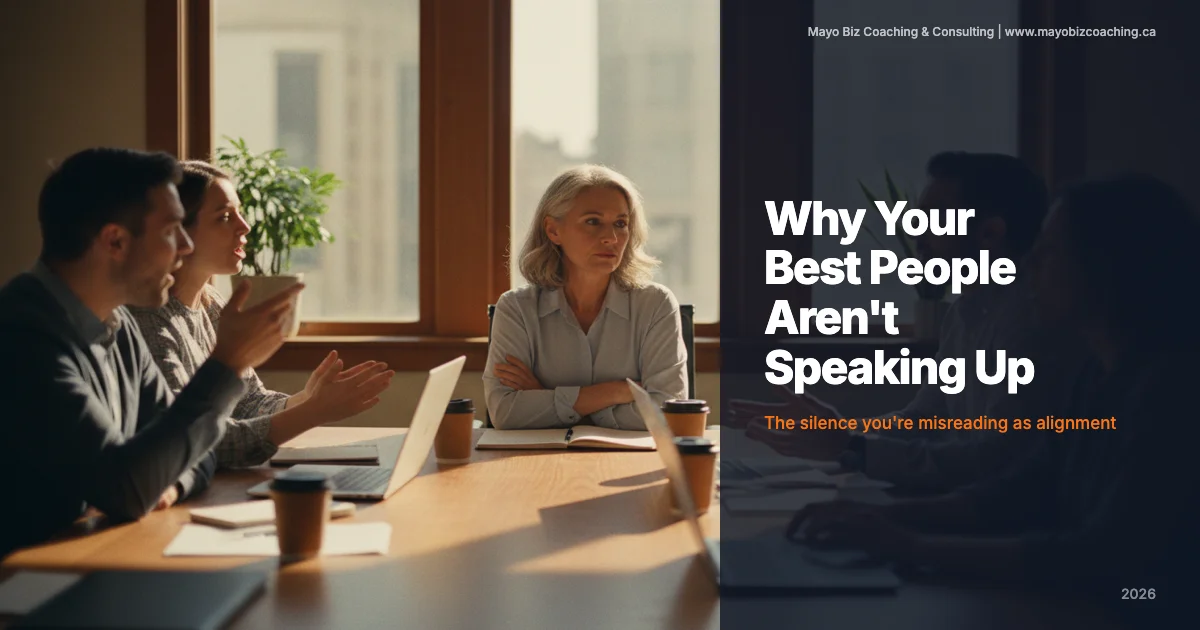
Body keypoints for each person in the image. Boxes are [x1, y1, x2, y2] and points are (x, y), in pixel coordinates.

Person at [788, 174, 1200, 622]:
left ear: (1107, 265)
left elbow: (1104, 557)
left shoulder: (1170, 391)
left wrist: (914, 543)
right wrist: (884, 515)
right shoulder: (1098, 377)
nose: (1031, 264)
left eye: (1049, 251)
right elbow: (1023, 487)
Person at [731, 151, 1092, 492]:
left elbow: (996, 459)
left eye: (932, 221)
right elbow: (925, 419)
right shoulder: (966, 311)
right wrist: (841, 433)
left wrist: (853, 446)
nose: (918, 237)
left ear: (990, 233)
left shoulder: (1034, 321)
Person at [0, 148, 300, 556]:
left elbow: (194, 449)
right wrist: (227, 364)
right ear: (116, 241)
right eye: (171, 231)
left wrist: (169, 481)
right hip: (23, 583)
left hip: (91, 556)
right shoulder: (22, 336)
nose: (184, 247)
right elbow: (124, 489)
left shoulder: (116, 325)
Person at [128, 161, 394, 468]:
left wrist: (307, 399)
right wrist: (314, 412)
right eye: (225, 217)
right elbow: (196, 443)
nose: (245, 226)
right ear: (179, 231)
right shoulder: (147, 321)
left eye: (240, 213)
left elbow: (248, 403)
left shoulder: (212, 304)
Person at [484, 164, 687, 430]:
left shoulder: (656, 304)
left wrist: (551, 398)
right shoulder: (515, 308)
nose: (611, 238)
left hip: (633, 465)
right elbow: (506, 414)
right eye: (593, 221)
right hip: (537, 462)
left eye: (620, 223)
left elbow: (668, 414)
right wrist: (613, 393)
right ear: (553, 230)